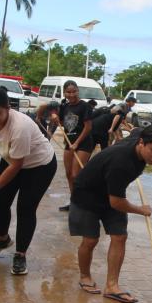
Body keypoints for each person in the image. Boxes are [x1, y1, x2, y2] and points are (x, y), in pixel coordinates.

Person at [69, 125, 152, 303]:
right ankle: (85, 276)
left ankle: (112, 286)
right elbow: (116, 203)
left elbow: (137, 130)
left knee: (119, 237)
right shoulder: (122, 162)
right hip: (87, 194)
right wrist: (141, 210)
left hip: (111, 192)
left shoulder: (139, 138)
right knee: (90, 240)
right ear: (141, 143)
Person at [0, 87, 58, 275]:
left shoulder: (20, 126)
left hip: (39, 165)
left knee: (25, 208)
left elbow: (16, 165)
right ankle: (2, 239)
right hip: (11, 159)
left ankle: (20, 255)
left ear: (8, 108)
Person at [57, 80, 93, 211]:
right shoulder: (65, 106)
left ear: (78, 91)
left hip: (83, 144)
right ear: (64, 93)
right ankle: (74, 201)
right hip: (69, 143)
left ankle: (82, 202)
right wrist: (56, 119)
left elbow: (88, 127)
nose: (71, 94)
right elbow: (62, 123)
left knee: (75, 175)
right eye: (68, 92)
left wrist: (77, 142)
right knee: (68, 174)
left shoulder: (85, 106)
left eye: (74, 91)